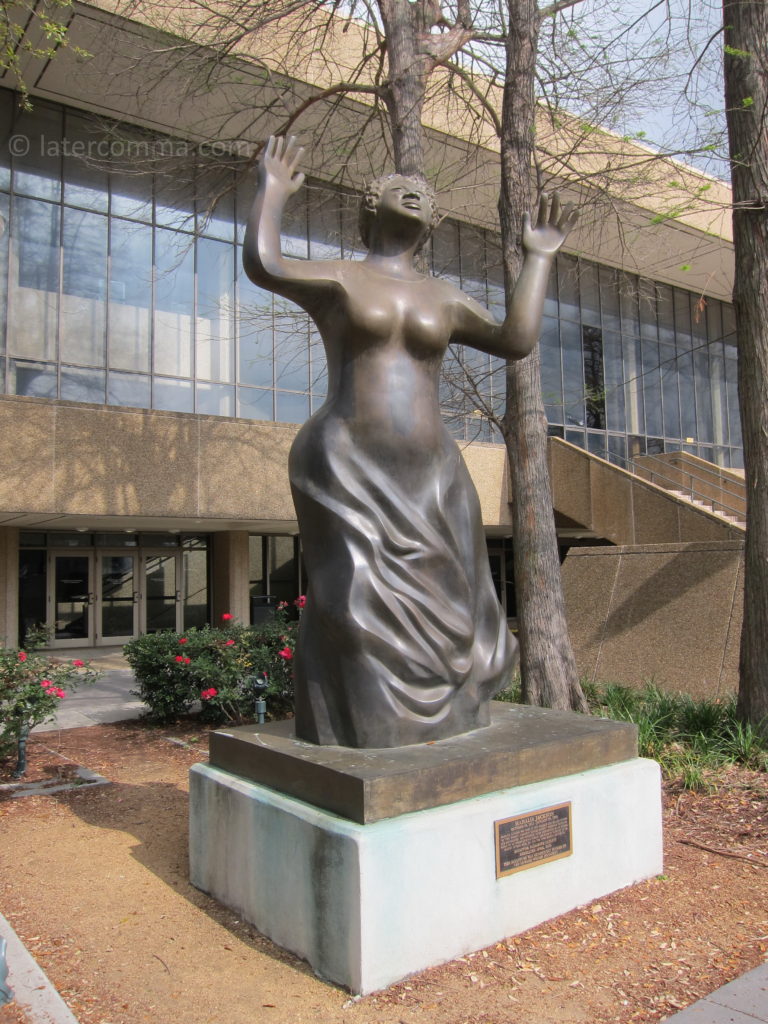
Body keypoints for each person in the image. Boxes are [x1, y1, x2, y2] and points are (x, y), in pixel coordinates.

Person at [243, 135, 578, 748]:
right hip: (346, 460)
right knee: (355, 601)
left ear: (435, 220)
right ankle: (365, 727)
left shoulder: (442, 297)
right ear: (371, 207)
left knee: (460, 601)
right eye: (402, 189)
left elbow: (514, 339)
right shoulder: (341, 276)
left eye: (425, 194)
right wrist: (271, 193)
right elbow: (267, 264)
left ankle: (445, 714)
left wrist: (539, 258)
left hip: (433, 471)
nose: (416, 193)